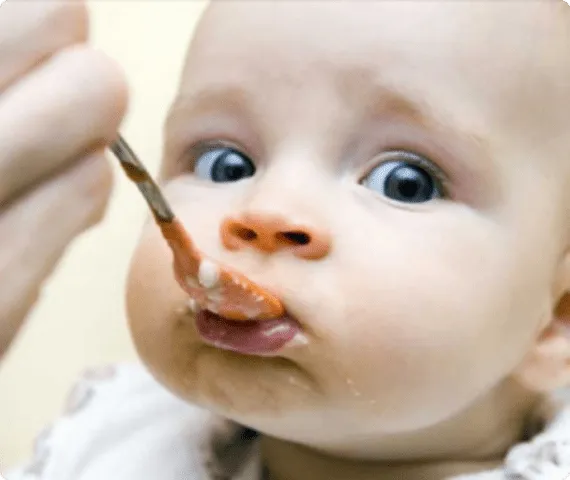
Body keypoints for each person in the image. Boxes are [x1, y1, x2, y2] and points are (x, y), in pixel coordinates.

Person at [4, 1, 570, 479]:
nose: (265, 211)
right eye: (225, 164)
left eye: (405, 182)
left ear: (557, 321)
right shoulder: (113, 445)